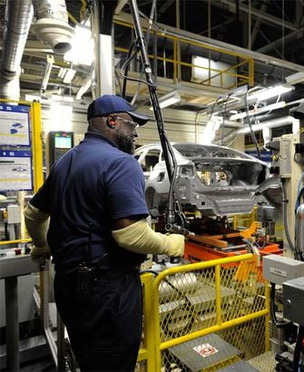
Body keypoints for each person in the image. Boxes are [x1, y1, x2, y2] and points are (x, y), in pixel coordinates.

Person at [24, 94, 185, 371]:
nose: (135, 132)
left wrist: (41, 245)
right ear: (112, 121)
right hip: (107, 292)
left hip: (68, 285)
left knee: (88, 360)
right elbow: (130, 235)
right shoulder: (122, 163)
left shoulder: (65, 162)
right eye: (131, 124)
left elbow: (33, 214)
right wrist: (171, 244)